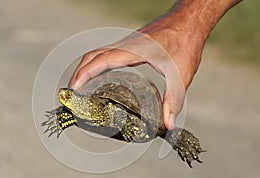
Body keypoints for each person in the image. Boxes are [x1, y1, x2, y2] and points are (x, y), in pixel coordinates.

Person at [69, 0, 243, 130]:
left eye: (69, 97)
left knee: (169, 131)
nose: (65, 96)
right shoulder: (86, 109)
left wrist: (191, 19)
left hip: (138, 115)